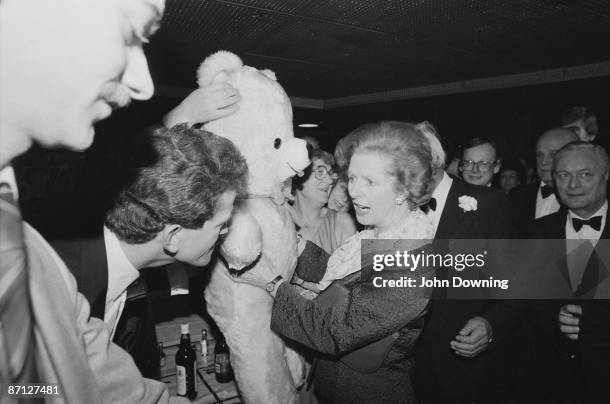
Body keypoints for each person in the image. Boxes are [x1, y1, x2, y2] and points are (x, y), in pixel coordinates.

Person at [0, 0, 224, 401]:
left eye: (365, 180)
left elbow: (82, 384)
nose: (144, 84)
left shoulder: (31, 249)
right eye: (131, 33)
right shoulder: (47, 252)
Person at [236, 121, 437, 403]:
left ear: (403, 190)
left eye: (369, 181)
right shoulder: (383, 236)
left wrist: (273, 285)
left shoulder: (413, 262)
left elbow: (333, 330)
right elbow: (347, 279)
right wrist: (292, 242)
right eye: (352, 178)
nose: (353, 191)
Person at [53, 125, 247, 374]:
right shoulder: (59, 283)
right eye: (221, 224)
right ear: (173, 237)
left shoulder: (130, 270)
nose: (225, 232)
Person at [415, 122, 524, 403]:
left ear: (437, 157)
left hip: (462, 358)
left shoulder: (488, 203)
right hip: (404, 363)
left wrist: (490, 325)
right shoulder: (394, 202)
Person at [531, 141, 610, 402]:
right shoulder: (536, 232)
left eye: (585, 174)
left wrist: (594, 326)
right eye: (564, 175)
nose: (573, 185)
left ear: (606, 174)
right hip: (552, 384)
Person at [287, 149, 357, 292]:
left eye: (330, 174)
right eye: (320, 172)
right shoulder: (276, 218)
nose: (330, 180)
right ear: (297, 176)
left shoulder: (341, 223)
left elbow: (350, 289)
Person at [509, 127, 578, 236]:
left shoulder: (584, 197)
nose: (543, 162)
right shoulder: (517, 196)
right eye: (539, 155)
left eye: (552, 154)